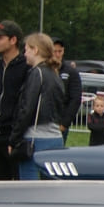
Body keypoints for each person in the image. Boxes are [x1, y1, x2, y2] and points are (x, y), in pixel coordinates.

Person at [12, 32, 68, 179]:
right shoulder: (55, 74)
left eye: (26, 50)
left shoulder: (37, 73)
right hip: (55, 137)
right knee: (50, 189)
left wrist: (15, 138)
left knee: (30, 188)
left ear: (35, 50)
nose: (24, 54)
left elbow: (27, 109)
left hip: (35, 139)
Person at [0, 20, 29, 180]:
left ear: (13, 40)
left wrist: (17, 133)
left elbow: (25, 104)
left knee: (16, 184)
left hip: (14, 136)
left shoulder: (26, 67)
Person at [51, 37, 83, 142]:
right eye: (54, 51)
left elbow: (76, 99)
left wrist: (65, 123)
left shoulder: (71, 72)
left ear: (63, 51)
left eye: (60, 51)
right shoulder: (42, 70)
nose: (57, 54)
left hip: (61, 121)